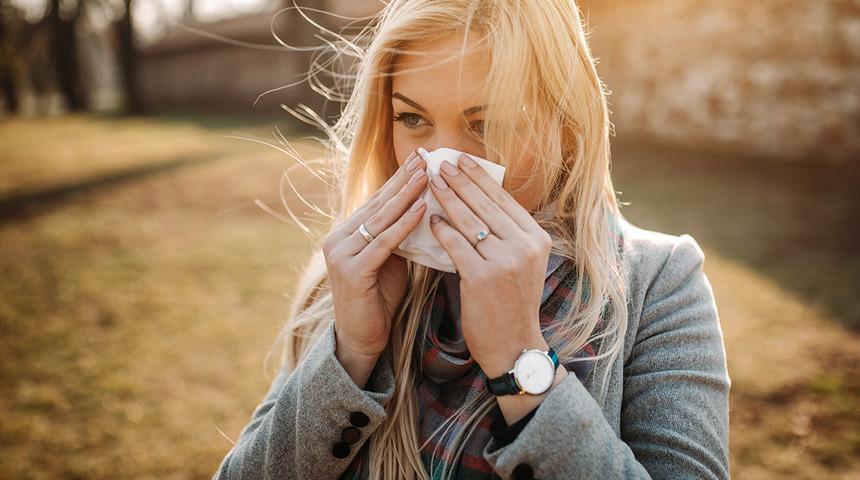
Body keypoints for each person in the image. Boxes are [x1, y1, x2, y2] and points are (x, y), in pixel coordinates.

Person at [212, 1, 731, 479]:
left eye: (486, 123)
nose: (441, 166)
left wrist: (518, 357)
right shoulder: (350, 277)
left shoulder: (658, 283)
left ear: (567, 128)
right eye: (412, 118)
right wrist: (350, 354)